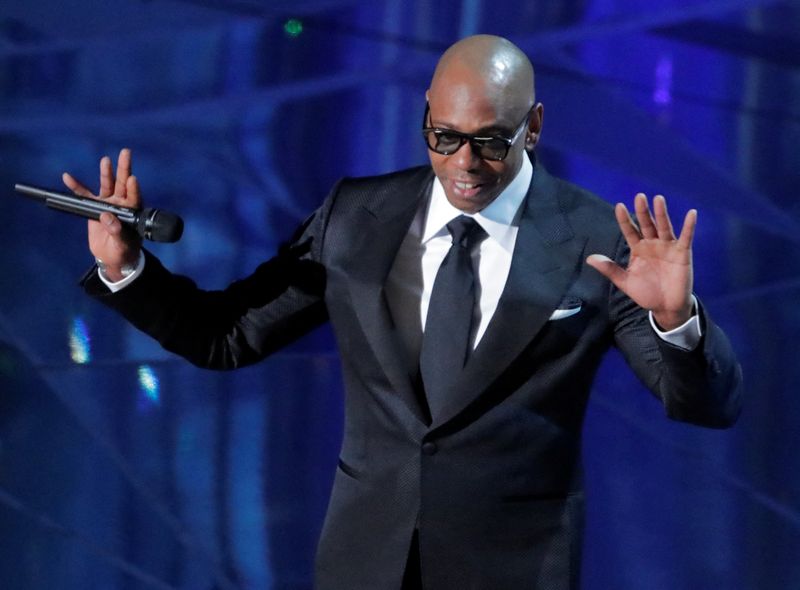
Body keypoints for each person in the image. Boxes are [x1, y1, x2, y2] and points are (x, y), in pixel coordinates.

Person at [63, 35, 741, 590]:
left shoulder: (598, 237)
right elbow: (228, 337)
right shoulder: (356, 217)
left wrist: (676, 319)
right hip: (366, 562)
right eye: (443, 136)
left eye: (490, 141)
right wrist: (127, 268)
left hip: (515, 568)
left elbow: (707, 405)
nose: (464, 163)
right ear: (424, 116)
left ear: (533, 126)